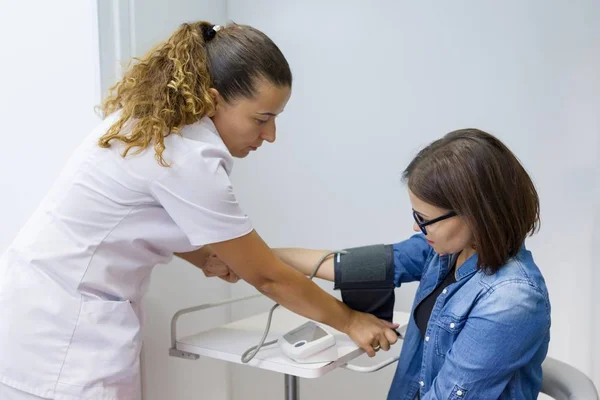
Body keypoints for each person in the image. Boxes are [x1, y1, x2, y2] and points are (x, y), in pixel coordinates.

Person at [0, 21, 398, 400]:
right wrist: (350, 321)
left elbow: (132, 216)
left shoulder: (145, 124)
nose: (271, 135)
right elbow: (267, 276)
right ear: (213, 99)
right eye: (262, 119)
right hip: (60, 342)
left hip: (36, 314)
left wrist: (204, 256)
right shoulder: (190, 158)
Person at [206, 129, 551, 399]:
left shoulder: (511, 300)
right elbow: (348, 265)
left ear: (476, 213)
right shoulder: (443, 250)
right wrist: (250, 257)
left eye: (425, 218)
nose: (417, 227)